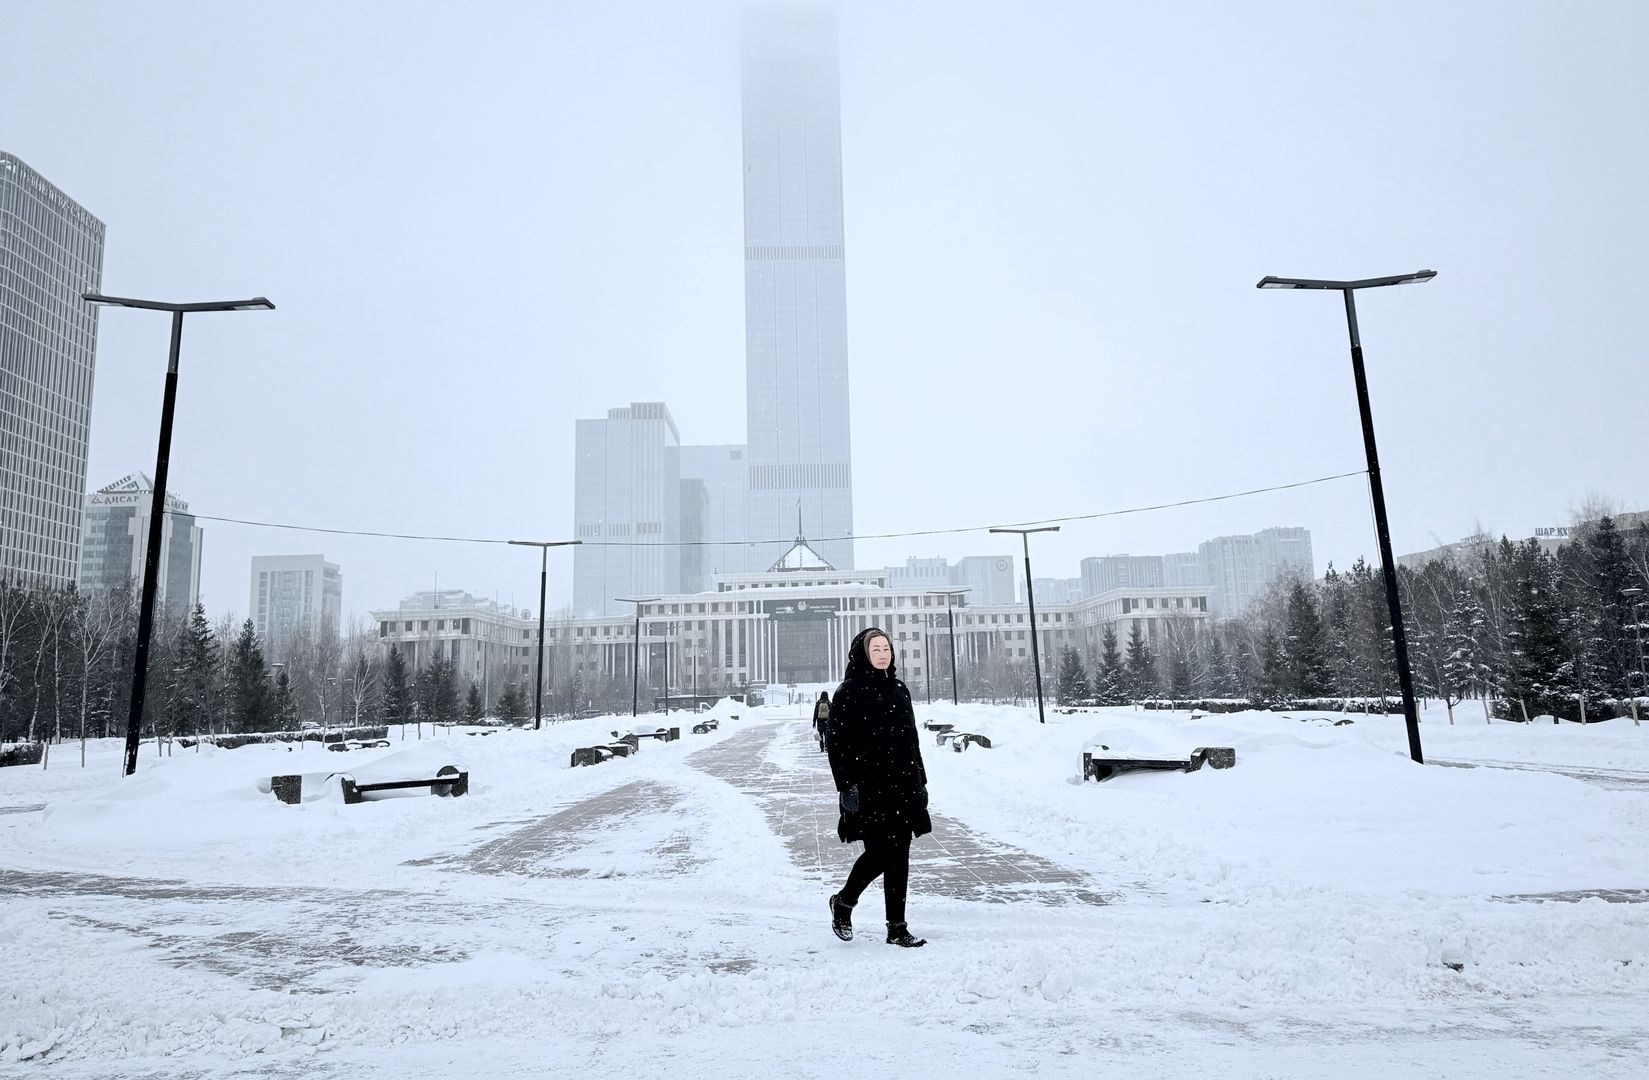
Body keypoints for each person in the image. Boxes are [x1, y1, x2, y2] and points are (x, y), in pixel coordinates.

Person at [824, 627, 930, 948]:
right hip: (869, 788)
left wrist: (920, 782)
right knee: (881, 853)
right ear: (864, 654)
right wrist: (846, 785)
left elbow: (912, 741)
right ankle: (844, 902)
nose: (883, 654)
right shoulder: (848, 693)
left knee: (900, 856)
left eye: (886, 649)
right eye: (877, 649)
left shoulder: (900, 690)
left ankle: (896, 927)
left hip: (902, 786)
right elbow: (836, 744)